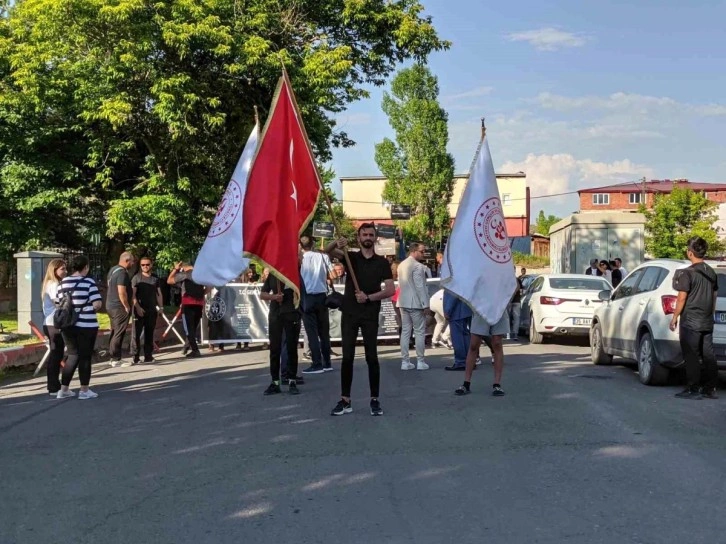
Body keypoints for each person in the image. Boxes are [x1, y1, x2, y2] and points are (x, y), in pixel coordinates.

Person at [326, 223, 395, 416]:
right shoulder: (351, 257)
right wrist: (336, 242)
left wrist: (369, 297)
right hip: (349, 313)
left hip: (370, 315)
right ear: (358, 238)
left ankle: (374, 399)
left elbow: (390, 289)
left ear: (375, 238)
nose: (367, 237)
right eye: (364, 234)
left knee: (371, 357)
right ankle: (345, 400)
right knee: (347, 358)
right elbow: (327, 252)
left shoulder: (382, 262)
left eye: (371, 234)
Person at [670, 236, 719, 400]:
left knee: (691, 355)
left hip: (690, 319)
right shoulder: (711, 272)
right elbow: (714, 295)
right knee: (708, 355)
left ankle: (693, 389)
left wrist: (675, 316)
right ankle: (710, 388)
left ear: (690, 253)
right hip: (706, 319)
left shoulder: (687, 273)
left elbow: (682, 297)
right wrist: (710, 313)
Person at [55, 255, 103, 400]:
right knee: (85, 357)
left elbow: (58, 303)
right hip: (86, 325)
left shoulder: (63, 283)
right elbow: (97, 304)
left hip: (67, 326)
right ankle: (84, 390)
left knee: (72, 355)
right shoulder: (89, 282)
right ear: (86, 267)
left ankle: (63, 389)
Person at [259, 272, 301, 395]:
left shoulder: (294, 272)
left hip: (291, 312)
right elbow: (262, 294)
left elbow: (301, 291)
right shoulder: (273, 274)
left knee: (291, 348)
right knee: (275, 348)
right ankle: (275, 382)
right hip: (275, 314)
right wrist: (274, 297)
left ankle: (292, 380)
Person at [454, 307, 509, 397]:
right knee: (474, 344)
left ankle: (497, 384)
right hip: (481, 308)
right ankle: (466, 383)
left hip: (499, 308)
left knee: (497, 343)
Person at [299, 236, 333, 374]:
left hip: (307, 296)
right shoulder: (323, 256)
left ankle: (317, 363)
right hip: (322, 296)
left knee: (312, 332)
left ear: (301, 246)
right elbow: (334, 275)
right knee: (324, 332)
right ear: (313, 244)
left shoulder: (300, 258)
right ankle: (327, 362)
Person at [397, 243, 431, 371]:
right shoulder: (417, 266)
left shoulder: (402, 264)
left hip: (403, 301)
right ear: (414, 251)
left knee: (406, 332)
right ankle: (420, 361)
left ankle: (405, 361)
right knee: (419, 332)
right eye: (422, 251)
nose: (424, 254)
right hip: (415, 303)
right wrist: (425, 304)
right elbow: (420, 287)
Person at [167, 261, 205, 358]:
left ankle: (195, 350)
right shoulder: (201, 274)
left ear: (183, 267)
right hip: (199, 303)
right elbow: (210, 286)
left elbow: (169, 281)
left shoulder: (184, 274)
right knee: (193, 328)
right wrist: (202, 294)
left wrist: (175, 269)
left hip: (188, 303)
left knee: (189, 329)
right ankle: (187, 347)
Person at [41, 258, 67, 396]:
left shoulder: (54, 283)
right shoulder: (53, 284)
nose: (65, 271)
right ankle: (53, 386)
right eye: (62, 269)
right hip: (53, 323)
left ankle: (55, 384)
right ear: (54, 270)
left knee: (57, 354)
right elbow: (58, 302)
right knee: (55, 354)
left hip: (52, 322)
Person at [131, 256, 163, 364]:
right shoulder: (136, 278)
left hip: (151, 310)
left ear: (151, 265)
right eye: (142, 265)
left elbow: (159, 294)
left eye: (147, 264)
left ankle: (148, 356)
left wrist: (161, 307)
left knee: (149, 333)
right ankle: (135, 357)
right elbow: (133, 295)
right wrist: (138, 308)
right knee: (136, 334)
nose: (145, 266)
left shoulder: (155, 278)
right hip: (139, 310)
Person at [106, 251, 134, 367]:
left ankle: (113, 356)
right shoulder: (122, 273)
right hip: (119, 306)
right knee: (119, 332)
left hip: (110, 305)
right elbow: (121, 291)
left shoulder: (113, 270)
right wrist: (126, 306)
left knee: (114, 331)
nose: (133, 263)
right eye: (132, 261)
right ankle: (115, 358)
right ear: (126, 261)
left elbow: (109, 285)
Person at [443, 290, 472, 371]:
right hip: (465, 309)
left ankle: (461, 361)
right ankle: (469, 361)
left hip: (456, 311)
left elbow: (452, 293)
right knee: (465, 336)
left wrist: (447, 310)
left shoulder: (451, 277)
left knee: (457, 337)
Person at [507, 272, 523, 340]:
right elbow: (521, 289)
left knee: (508, 317)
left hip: (508, 301)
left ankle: (508, 334)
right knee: (516, 318)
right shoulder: (517, 279)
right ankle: (515, 334)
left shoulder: (507, 279)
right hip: (517, 301)